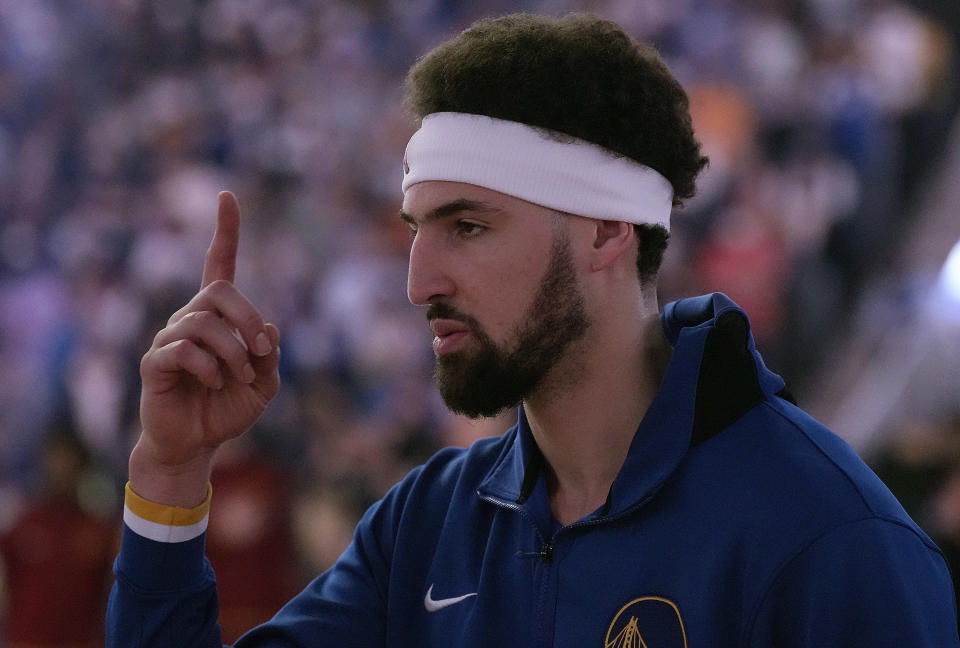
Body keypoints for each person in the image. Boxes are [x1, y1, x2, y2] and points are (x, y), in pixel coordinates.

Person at [106, 13, 958, 647]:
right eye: (417, 229)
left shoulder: (825, 540)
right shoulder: (426, 527)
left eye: (467, 227)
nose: (418, 282)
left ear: (605, 231)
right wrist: (172, 476)